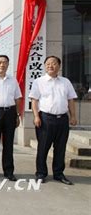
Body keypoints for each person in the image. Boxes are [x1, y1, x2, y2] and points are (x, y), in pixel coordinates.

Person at [29, 56, 77, 185]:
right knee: (43, 148)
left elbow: (71, 100)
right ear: (45, 66)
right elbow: (34, 100)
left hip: (62, 119)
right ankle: (40, 173)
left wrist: (73, 116)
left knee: (60, 148)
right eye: (48, 64)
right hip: (45, 119)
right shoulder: (39, 82)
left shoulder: (65, 82)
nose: (51, 66)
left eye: (54, 63)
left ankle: (58, 174)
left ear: (59, 66)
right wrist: (36, 116)